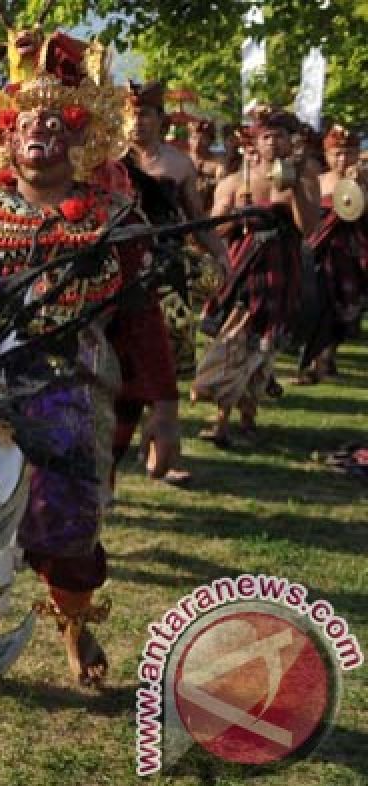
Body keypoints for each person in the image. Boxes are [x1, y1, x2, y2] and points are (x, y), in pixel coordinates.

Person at [0, 30, 144, 689]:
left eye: (55, 120)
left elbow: (142, 323)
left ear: (77, 138)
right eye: (24, 122)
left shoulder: (114, 219)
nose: (39, 130)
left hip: (71, 397)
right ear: (6, 139)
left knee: (65, 525)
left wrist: (165, 411)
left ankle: (74, 627)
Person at [122, 81, 229, 486]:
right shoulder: (109, 162)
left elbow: (196, 220)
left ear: (160, 120)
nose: (137, 122)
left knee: (165, 356)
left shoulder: (179, 164)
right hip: (120, 267)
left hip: (167, 271)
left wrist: (221, 255)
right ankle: (116, 440)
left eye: (145, 114)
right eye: (131, 115)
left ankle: (163, 445)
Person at [194, 108, 319, 447]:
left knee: (259, 343)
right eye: (267, 136)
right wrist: (235, 215)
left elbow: (309, 228)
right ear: (256, 141)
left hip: (279, 270)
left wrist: (292, 188)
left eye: (280, 135)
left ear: (290, 140)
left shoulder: (304, 178)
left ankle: (243, 417)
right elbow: (211, 229)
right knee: (233, 338)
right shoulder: (236, 181)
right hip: (239, 269)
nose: (274, 142)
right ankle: (224, 418)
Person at [296, 123, 367, 383]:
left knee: (343, 307)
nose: (342, 158)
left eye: (348, 152)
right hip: (319, 253)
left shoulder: (364, 181)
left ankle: (327, 359)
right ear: (326, 155)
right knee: (318, 305)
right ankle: (316, 361)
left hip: (351, 254)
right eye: (337, 153)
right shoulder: (319, 182)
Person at [188, 117, 227, 212]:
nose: (197, 143)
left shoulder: (218, 163)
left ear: (210, 141)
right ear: (189, 139)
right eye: (194, 138)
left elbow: (222, 185)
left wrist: (209, 183)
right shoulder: (182, 160)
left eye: (203, 139)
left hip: (209, 210)